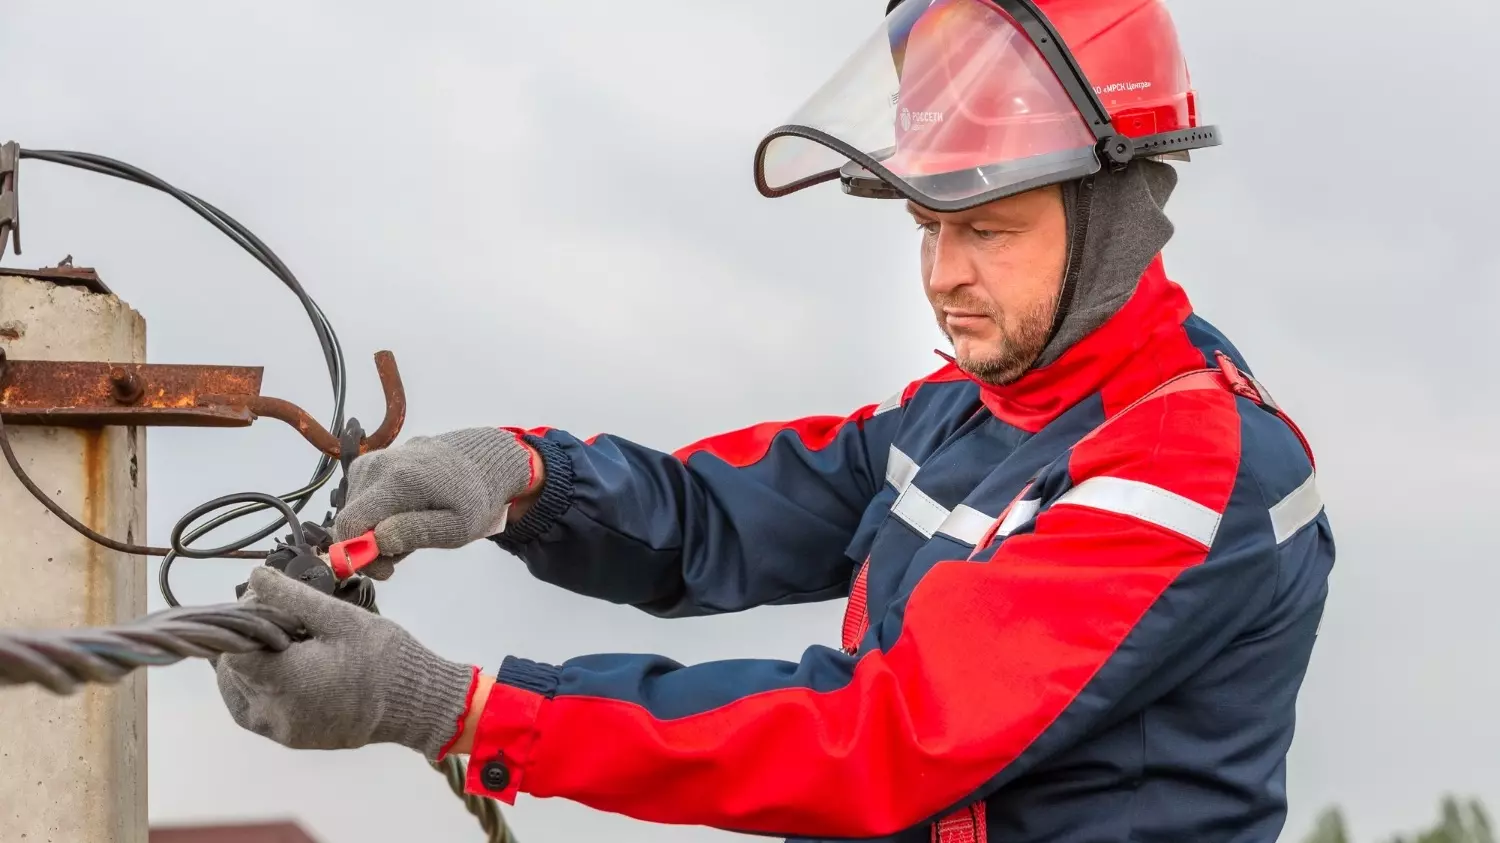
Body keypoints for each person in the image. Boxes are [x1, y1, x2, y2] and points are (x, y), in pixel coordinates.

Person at [213, 1, 1336, 841]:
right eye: (925, 226)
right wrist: (520, 477)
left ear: (1118, 212)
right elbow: (722, 518)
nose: (943, 275)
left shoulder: (1193, 466)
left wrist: (459, 710)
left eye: (987, 228)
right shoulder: (970, 412)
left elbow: (881, 737)